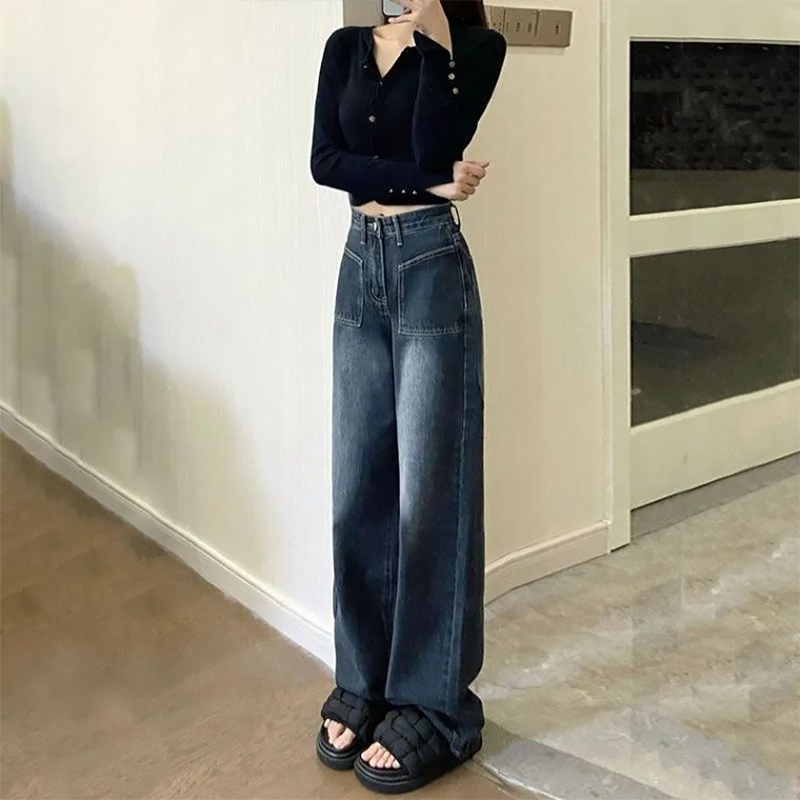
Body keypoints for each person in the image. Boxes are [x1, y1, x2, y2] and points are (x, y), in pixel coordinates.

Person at [309, 0, 506, 792]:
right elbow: (326, 162)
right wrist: (425, 181)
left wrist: (438, 47)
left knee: (431, 496)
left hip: (430, 268)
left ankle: (438, 708)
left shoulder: (477, 50)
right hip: (360, 264)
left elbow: (434, 144)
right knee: (357, 487)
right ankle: (365, 682)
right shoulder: (345, 47)